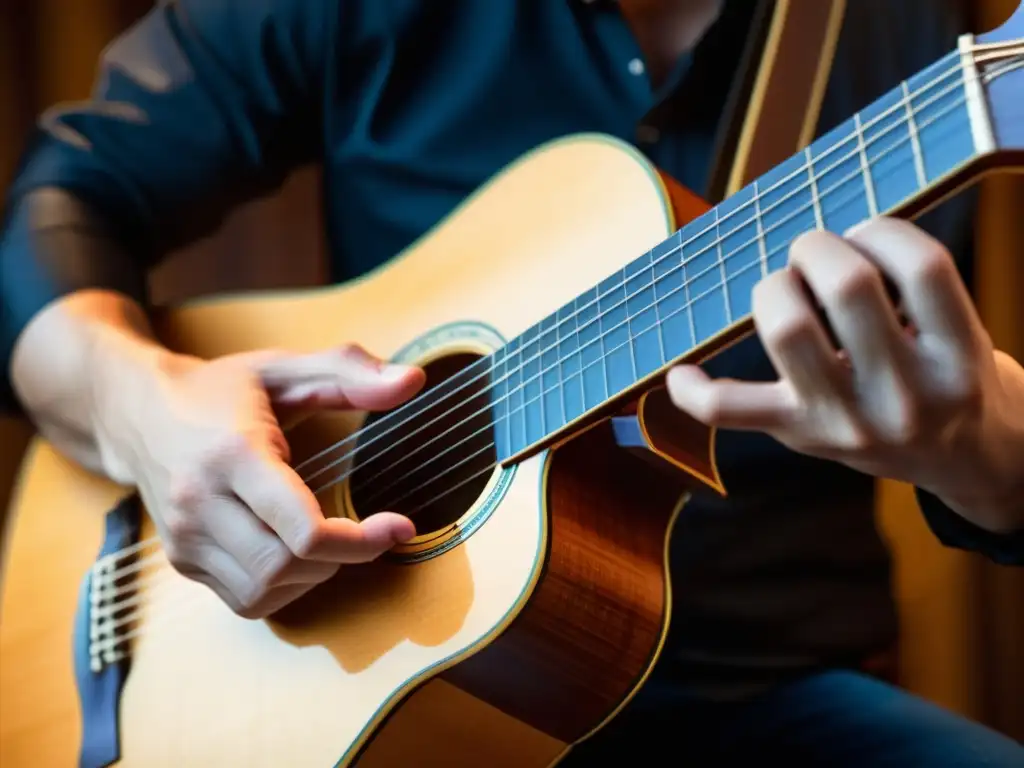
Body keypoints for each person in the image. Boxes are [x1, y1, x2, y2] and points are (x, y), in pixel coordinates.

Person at [1, 0, 1022, 763]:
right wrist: (143, 418)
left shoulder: (923, 33)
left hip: (764, 697)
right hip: (375, 705)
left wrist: (989, 455)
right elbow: (66, 202)